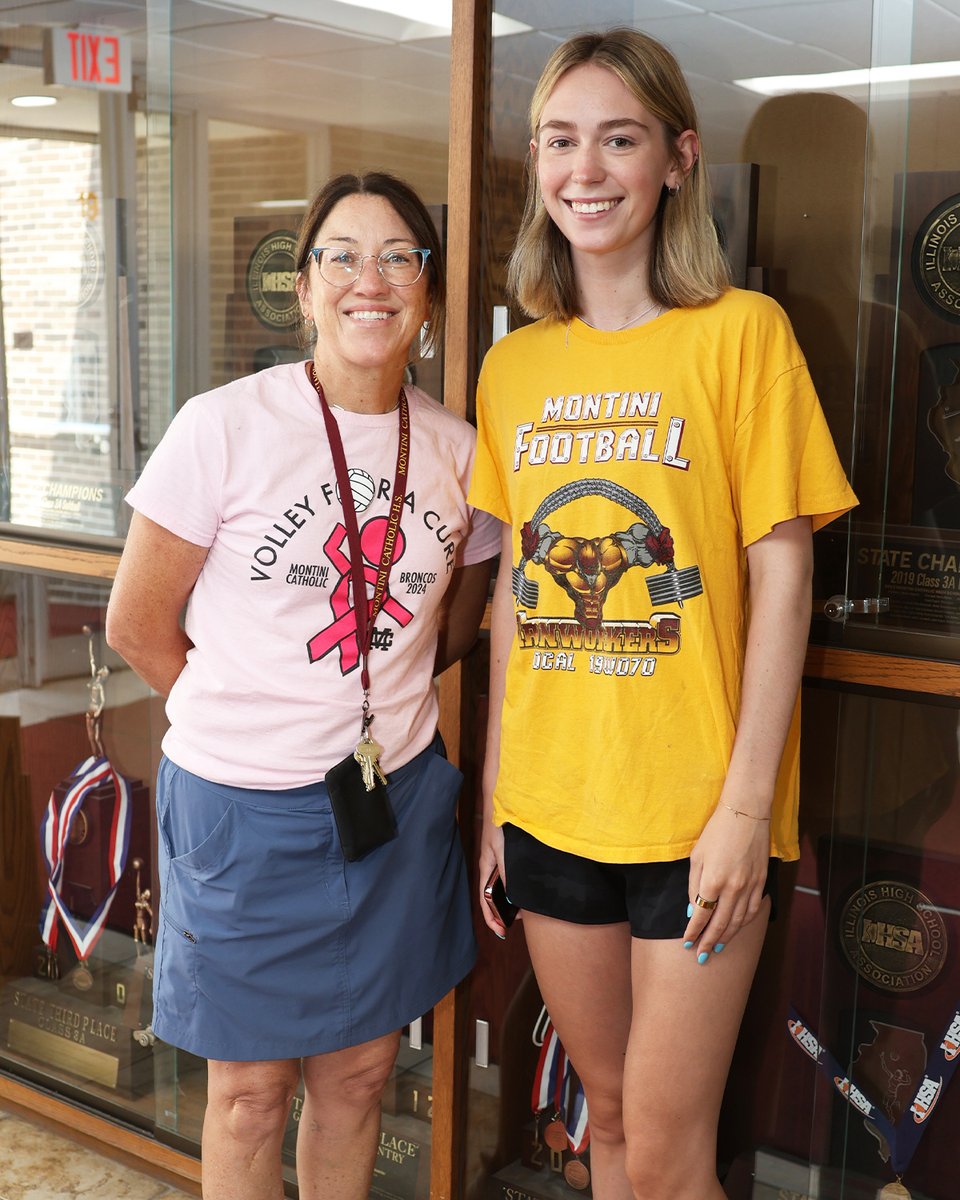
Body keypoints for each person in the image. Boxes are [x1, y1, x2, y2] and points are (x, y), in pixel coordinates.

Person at [469, 29, 857, 1200]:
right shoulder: (514, 367)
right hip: (550, 806)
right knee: (617, 1121)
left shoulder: (743, 336)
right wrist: (494, 803)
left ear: (679, 158)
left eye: (620, 138)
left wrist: (746, 807)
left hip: (697, 819)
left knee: (678, 1146)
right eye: (561, 140)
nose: (586, 170)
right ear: (537, 166)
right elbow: (511, 597)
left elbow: (784, 577)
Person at [106, 171, 500, 1200]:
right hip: (240, 811)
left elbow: (449, 626)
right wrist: (255, 722)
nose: (370, 280)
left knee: (364, 1072)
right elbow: (139, 627)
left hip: (390, 804)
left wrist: (368, 713)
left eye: (398, 258)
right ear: (304, 287)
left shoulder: (460, 452)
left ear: (430, 290)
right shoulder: (223, 426)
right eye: (341, 257)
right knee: (248, 1093)